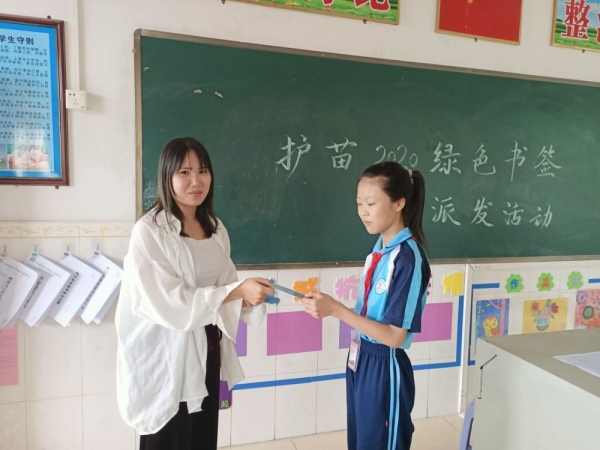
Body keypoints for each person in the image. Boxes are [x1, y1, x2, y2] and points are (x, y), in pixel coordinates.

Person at [115, 137, 274, 450]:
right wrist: (235, 291)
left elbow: (226, 285)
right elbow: (169, 302)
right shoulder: (149, 231)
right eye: (184, 172)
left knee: (202, 435)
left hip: (207, 346)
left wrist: (247, 295)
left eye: (202, 171)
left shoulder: (215, 228)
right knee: (169, 437)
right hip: (167, 354)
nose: (196, 181)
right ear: (167, 176)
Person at [302, 161, 431, 450]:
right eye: (359, 203)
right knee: (362, 442)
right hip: (361, 357)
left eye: (371, 203)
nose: (363, 211)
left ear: (399, 203)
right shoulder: (379, 251)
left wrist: (336, 309)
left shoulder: (408, 257)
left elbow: (394, 336)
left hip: (385, 364)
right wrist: (329, 307)